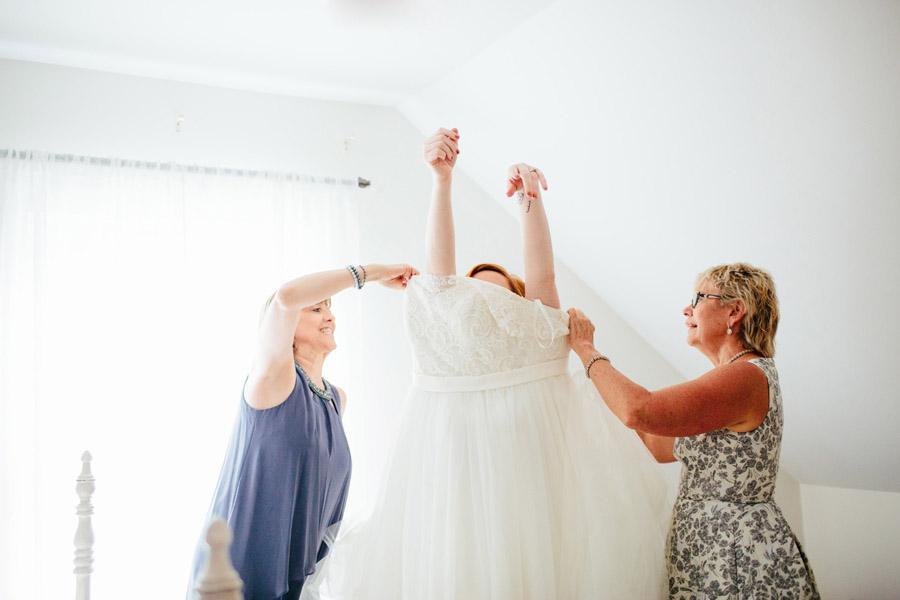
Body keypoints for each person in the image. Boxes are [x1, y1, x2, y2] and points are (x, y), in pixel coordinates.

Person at [301, 128, 670, 599]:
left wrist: (530, 202)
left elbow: (543, 273)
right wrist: (441, 180)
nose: (484, 295)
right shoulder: (448, 329)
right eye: (474, 291)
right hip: (461, 496)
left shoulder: (538, 332)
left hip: (534, 498)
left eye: (497, 289)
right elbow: (439, 278)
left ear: (519, 300)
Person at [567, 263, 820, 599]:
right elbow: (655, 444)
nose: (687, 308)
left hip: (737, 558)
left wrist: (586, 349)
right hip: (711, 552)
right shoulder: (733, 377)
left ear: (735, 312)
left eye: (699, 297)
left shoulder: (745, 376)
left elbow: (638, 409)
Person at [186, 263, 419, 600]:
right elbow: (286, 298)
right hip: (236, 573)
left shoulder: (336, 399)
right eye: (316, 308)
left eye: (329, 309)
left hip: (300, 580)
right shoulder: (272, 379)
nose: (330, 317)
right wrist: (376, 273)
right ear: (287, 328)